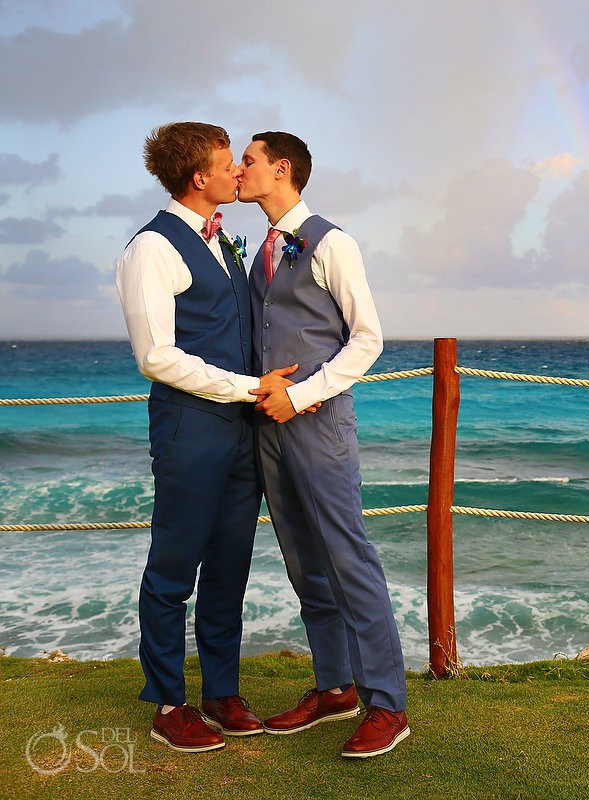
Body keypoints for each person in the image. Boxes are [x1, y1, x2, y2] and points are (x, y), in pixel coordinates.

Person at [115, 122, 304, 752]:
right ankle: (169, 702)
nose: (237, 173)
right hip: (190, 430)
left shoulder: (225, 241)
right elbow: (155, 357)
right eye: (229, 164)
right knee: (173, 570)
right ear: (201, 178)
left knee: (230, 568)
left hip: (240, 434)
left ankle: (222, 693)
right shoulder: (152, 248)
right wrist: (247, 387)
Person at [238, 131, 410, 759]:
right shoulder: (258, 249)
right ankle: (335, 688)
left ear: (281, 170)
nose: (238, 168)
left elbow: (367, 340)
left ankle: (387, 704)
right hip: (267, 428)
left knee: (347, 558)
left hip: (317, 424)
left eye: (249, 160)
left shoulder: (332, 242)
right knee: (304, 565)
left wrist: (303, 395)